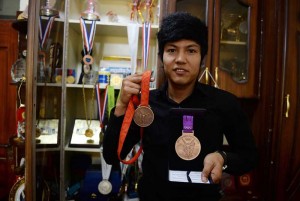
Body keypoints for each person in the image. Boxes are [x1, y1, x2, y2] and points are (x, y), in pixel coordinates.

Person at [103, 12, 258, 201]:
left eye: (191, 50)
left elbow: (249, 156)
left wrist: (222, 157)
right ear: (161, 57)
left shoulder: (224, 103)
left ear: (202, 58)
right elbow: (112, 156)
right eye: (172, 50)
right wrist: (121, 105)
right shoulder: (145, 104)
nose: (180, 59)